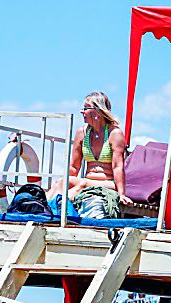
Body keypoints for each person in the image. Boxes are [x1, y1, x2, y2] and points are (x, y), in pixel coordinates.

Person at [48, 91, 131, 219]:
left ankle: (54, 208)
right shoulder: (82, 132)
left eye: (86, 108)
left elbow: (117, 167)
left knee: (81, 184)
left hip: (108, 183)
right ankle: (43, 208)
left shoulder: (114, 133)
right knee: (61, 182)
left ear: (98, 111)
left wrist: (122, 194)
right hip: (87, 181)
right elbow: (74, 167)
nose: (82, 111)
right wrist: (67, 183)